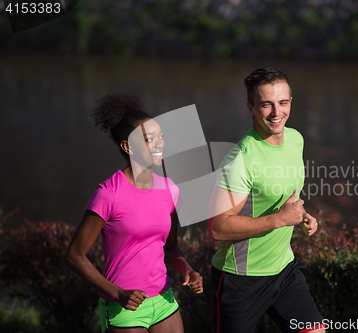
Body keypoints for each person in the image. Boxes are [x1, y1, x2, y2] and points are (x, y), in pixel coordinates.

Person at [66, 92, 203, 333]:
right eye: (150, 139)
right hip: (123, 307)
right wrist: (117, 293)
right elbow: (75, 255)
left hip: (163, 301)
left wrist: (187, 269)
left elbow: (169, 248)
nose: (159, 143)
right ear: (127, 146)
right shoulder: (109, 193)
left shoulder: (169, 190)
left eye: (160, 137)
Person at [209, 67, 326, 333]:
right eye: (266, 104)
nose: (277, 112)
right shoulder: (240, 159)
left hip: (284, 270)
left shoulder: (295, 139)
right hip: (240, 280)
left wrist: (302, 214)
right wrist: (279, 220)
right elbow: (218, 227)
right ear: (251, 107)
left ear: (290, 102)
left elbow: (285, 193)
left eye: (283, 102)